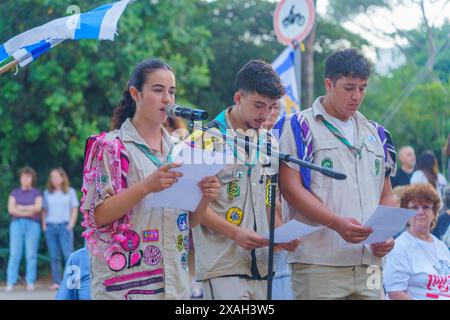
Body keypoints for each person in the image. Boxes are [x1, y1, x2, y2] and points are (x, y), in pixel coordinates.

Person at [80, 59, 220, 300]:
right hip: (126, 287)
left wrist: (205, 197)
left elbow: (187, 223)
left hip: (173, 285)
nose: (167, 99)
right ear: (135, 93)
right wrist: (146, 186)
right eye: (158, 90)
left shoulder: (181, 150)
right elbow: (97, 215)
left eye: (172, 92)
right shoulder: (110, 147)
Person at [278, 48, 397, 300]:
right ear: (329, 84)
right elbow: (290, 188)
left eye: (362, 88)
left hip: (370, 263)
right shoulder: (299, 126)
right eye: (349, 87)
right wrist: (336, 222)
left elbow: (386, 195)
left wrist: (386, 235)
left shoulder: (377, 134)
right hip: (320, 262)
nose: (357, 96)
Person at [191, 59, 299, 300]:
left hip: (263, 265)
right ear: (238, 98)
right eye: (259, 105)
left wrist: (282, 236)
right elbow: (192, 207)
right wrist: (235, 233)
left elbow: (269, 201)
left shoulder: (270, 141)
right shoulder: (205, 137)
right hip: (222, 264)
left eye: (272, 107)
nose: (266, 114)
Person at [383, 183, 450, 300]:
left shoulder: (442, 247)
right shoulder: (399, 247)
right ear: (406, 213)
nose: (420, 212)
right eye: (414, 207)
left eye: (426, 207)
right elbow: (395, 294)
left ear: (434, 213)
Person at [5, 167, 43, 292]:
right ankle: (11, 282)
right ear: (20, 178)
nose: (25, 179)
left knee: (31, 255)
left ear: (32, 179)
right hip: (16, 224)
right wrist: (29, 210)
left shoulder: (36, 192)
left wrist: (20, 208)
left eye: (28, 177)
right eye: (23, 177)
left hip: (33, 225)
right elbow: (11, 209)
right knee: (14, 254)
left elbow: (38, 208)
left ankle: (30, 281)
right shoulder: (15, 192)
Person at [42, 168, 80, 290]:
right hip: (51, 226)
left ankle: (72, 281)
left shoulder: (70, 192)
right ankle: (56, 281)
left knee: (68, 254)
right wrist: (44, 225)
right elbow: (44, 210)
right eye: (52, 177)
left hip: (65, 226)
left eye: (56, 177)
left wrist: (71, 224)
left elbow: (74, 209)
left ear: (63, 178)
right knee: (54, 256)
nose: (54, 179)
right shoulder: (47, 193)